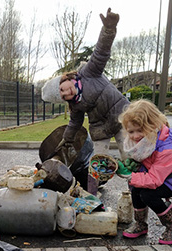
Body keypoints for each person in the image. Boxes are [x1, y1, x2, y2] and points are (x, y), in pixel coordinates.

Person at [41, 8, 129, 165]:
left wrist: (108, 29)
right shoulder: (75, 105)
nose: (67, 93)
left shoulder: (89, 72)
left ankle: (135, 187)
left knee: (130, 157)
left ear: (64, 79)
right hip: (101, 128)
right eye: (63, 97)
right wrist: (66, 139)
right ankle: (93, 187)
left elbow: (101, 52)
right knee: (98, 164)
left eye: (62, 89)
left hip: (122, 116)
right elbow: (74, 123)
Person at [117, 99, 172, 245]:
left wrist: (129, 175)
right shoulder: (147, 139)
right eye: (131, 131)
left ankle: (171, 226)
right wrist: (133, 166)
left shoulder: (169, 147)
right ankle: (140, 224)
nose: (134, 136)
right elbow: (147, 163)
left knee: (148, 194)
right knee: (136, 188)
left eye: (139, 130)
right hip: (159, 175)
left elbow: (154, 180)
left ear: (152, 125)